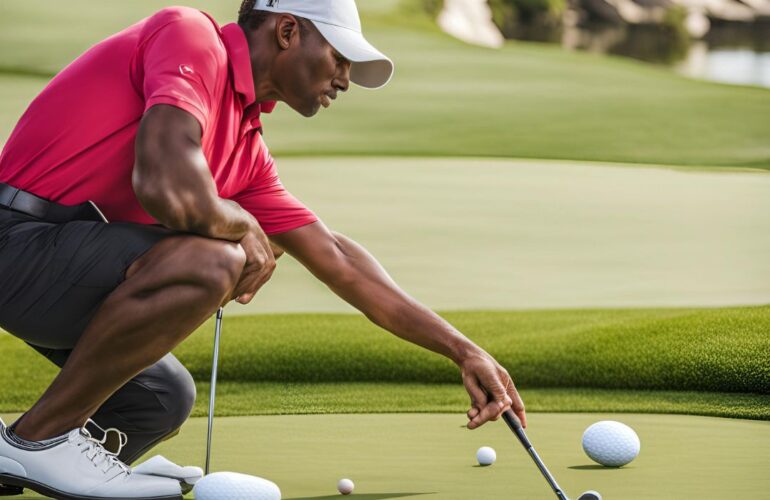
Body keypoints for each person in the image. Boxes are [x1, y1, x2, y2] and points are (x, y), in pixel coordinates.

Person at [0, 0, 527, 498]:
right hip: (16, 240)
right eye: (339, 58)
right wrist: (242, 226)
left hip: (57, 270)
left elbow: (340, 261)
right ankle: (39, 439)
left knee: (160, 400)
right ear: (288, 30)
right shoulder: (191, 37)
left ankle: (34, 450)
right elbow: (165, 185)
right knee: (216, 260)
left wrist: (464, 350)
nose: (344, 79)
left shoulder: (245, 150)